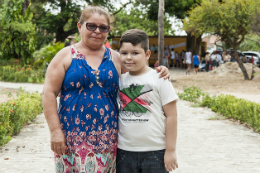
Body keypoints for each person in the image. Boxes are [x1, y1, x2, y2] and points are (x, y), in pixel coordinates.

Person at [42, 6, 170, 173]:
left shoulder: (116, 58)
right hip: (70, 139)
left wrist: (160, 71)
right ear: (80, 26)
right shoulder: (65, 56)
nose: (97, 31)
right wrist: (55, 132)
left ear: (108, 31)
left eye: (103, 27)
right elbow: (48, 93)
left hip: (107, 139)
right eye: (91, 26)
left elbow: (140, 75)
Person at [117, 29, 178, 173]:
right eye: (124, 53)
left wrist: (170, 150)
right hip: (124, 151)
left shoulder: (160, 78)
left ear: (147, 54)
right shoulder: (119, 80)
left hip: (155, 151)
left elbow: (172, 116)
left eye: (135, 53)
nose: (129, 57)